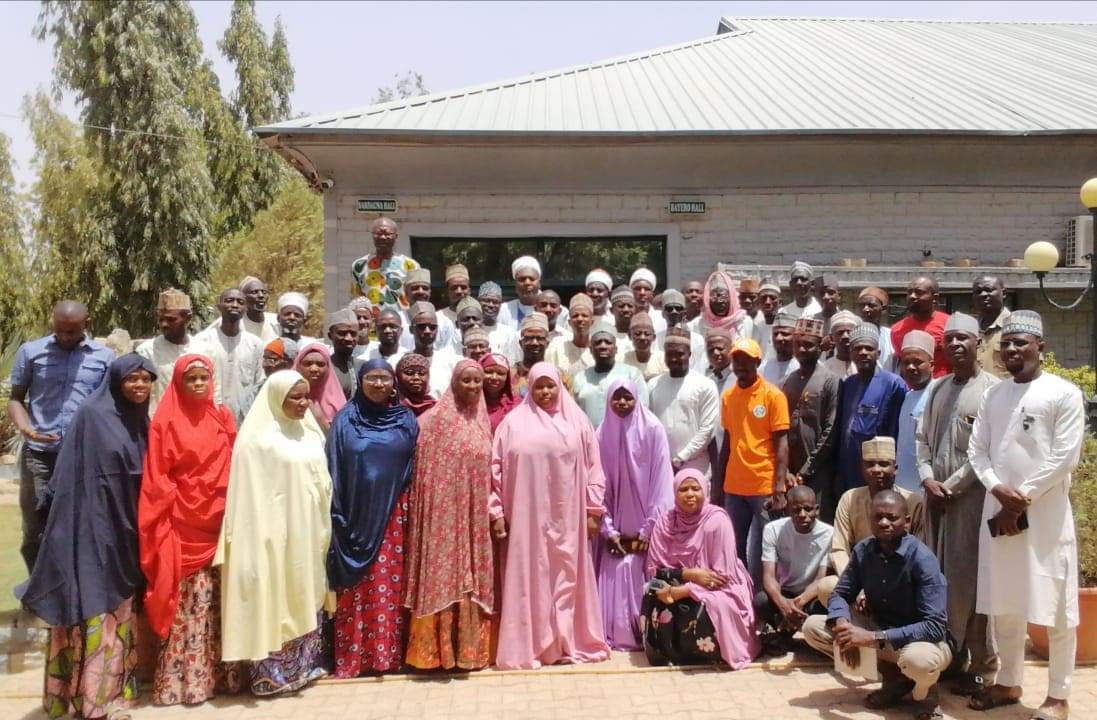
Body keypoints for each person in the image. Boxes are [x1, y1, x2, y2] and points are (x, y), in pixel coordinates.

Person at [18, 354, 154, 719]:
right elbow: (71, 478)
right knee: (93, 604)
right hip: (91, 529)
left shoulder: (140, 420)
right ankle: (92, 700)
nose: (139, 385)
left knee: (120, 608)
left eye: (145, 379)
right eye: (132, 378)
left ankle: (116, 693)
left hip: (126, 531)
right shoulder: (91, 417)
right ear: (116, 381)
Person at [967, 310, 1084, 720]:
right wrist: (998, 489)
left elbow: (1064, 456)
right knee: (1004, 601)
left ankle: (1058, 696)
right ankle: (1009, 682)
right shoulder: (993, 395)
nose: (1012, 349)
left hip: (1046, 518)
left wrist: (1021, 498)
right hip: (998, 511)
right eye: (1006, 344)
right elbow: (977, 450)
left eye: (1021, 342)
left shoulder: (1063, 393)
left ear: (1041, 347)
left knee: (1058, 606)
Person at [216, 369, 332, 695]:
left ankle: (303, 667)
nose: (303, 403)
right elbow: (247, 497)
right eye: (295, 397)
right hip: (271, 534)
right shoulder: (255, 442)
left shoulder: (310, 432)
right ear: (276, 397)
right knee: (276, 594)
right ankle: (270, 676)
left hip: (308, 531)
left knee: (304, 590)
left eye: (306, 396)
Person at [490, 363, 610, 669]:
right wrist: (497, 511)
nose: (545, 392)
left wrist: (593, 509)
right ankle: (534, 645)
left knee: (566, 576)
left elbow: (595, 470)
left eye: (550, 386)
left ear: (560, 387)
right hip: (525, 518)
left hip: (568, 516)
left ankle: (566, 640)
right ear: (529, 388)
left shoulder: (578, 423)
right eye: (539, 386)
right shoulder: (512, 424)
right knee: (530, 575)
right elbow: (495, 471)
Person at [139, 355, 243, 705]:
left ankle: (223, 678)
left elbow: (234, 461)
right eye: (191, 379)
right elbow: (157, 476)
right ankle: (182, 683)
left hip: (219, 522)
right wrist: (175, 507)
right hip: (183, 524)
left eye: (203, 378)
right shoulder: (165, 421)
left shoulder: (222, 416)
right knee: (187, 601)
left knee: (218, 599)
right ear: (179, 382)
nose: (198, 384)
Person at [802, 489, 951, 720]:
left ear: (907, 522)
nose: (883, 523)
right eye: (878, 517)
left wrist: (870, 638)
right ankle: (895, 680)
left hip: (920, 642)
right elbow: (840, 593)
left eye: (892, 518)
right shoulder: (864, 550)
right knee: (813, 627)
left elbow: (935, 627)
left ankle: (927, 695)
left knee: (918, 662)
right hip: (881, 632)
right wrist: (843, 627)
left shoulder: (922, 559)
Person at [916, 312, 1000, 696]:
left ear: (978, 342)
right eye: (949, 339)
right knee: (940, 581)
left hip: (971, 504)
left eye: (963, 338)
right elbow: (922, 441)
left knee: (973, 582)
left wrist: (948, 487)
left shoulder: (993, 391)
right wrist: (926, 478)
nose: (955, 344)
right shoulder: (937, 389)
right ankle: (951, 656)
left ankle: (982, 666)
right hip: (935, 503)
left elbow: (986, 452)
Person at [327, 359, 420, 677]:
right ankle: (355, 659)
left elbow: (414, 465)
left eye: (385, 378)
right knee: (360, 587)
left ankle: (389, 656)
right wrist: (339, 514)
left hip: (395, 518)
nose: (379, 384)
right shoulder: (345, 420)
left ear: (394, 383)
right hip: (356, 517)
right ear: (361, 381)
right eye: (372, 378)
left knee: (392, 587)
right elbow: (334, 467)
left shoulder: (406, 419)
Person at [9, 300, 114, 573]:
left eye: (73, 331)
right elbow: (16, 399)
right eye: (60, 330)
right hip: (39, 455)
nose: (66, 337)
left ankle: (73, 588)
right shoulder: (31, 352)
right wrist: (25, 426)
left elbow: (108, 404)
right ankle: (37, 588)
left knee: (80, 524)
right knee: (35, 528)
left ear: (86, 323)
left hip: (82, 456)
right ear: (53, 323)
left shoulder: (104, 357)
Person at [403, 360, 495, 670]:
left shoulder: (483, 422)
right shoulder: (432, 421)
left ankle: (470, 652)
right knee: (442, 574)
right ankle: (434, 654)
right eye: (466, 380)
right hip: (442, 518)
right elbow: (422, 474)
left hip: (475, 517)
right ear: (454, 383)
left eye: (477, 381)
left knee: (473, 577)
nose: (472, 386)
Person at [643, 468, 759, 668]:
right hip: (675, 582)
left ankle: (707, 652)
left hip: (721, 586)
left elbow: (723, 576)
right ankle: (666, 650)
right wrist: (689, 574)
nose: (690, 494)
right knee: (651, 590)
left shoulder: (717, 520)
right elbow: (654, 569)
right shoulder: (665, 522)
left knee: (719, 604)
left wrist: (685, 591)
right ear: (675, 493)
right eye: (683, 489)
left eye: (695, 489)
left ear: (704, 491)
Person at [594, 378, 674, 651]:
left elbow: (662, 484)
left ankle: (647, 632)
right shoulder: (601, 435)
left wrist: (648, 530)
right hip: (614, 529)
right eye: (616, 397)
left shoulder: (653, 429)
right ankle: (616, 632)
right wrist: (608, 529)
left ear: (637, 398)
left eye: (627, 397)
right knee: (617, 566)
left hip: (646, 525)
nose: (622, 402)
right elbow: (597, 486)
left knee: (639, 567)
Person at [818, 437, 925, 608]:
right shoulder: (849, 499)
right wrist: (857, 583)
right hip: (860, 577)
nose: (876, 470)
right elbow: (839, 549)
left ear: (895, 469)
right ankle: (858, 619)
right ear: (862, 469)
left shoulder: (914, 502)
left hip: (899, 580)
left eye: (883, 464)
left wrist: (880, 588)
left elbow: (919, 553)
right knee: (827, 587)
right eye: (870, 464)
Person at [717, 336, 790, 584]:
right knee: (733, 548)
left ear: (757, 362)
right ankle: (738, 595)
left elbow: (782, 445)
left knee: (763, 552)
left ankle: (761, 600)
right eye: (736, 360)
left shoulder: (773, 396)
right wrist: (718, 486)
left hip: (764, 486)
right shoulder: (728, 397)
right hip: (734, 487)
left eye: (746, 360)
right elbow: (727, 443)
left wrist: (779, 487)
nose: (740, 365)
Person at [834, 323, 907, 494]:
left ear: (878, 353)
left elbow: (897, 432)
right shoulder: (848, 384)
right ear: (850, 353)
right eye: (857, 349)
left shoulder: (893, 384)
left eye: (869, 348)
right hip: (848, 466)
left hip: (877, 472)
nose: (863, 352)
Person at [756, 486, 832, 646]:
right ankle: (784, 633)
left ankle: (796, 631)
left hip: (812, 595)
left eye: (808, 509)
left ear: (817, 510)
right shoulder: (773, 530)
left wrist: (796, 605)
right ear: (787, 511)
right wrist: (783, 604)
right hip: (786, 592)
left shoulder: (830, 534)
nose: (803, 514)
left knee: (827, 603)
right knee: (760, 601)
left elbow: (820, 580)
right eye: (796, 510)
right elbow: (768, 576)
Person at [782, 317, 840, 521]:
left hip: (819, 471)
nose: (802, 349)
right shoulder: (786, 381)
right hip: (790, 473)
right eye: (798, 344)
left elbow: (831, 429)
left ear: (819, 347)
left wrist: (807, 469)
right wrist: (785, 470)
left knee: (818, 523)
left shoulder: (831, 380)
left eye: (808, 345)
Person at [648, 328, 719, 478]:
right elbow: (649, 425)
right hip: (661, 463)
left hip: (695, 463)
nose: (674, 359)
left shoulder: (705, 385)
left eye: (679, 354)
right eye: (670, 354)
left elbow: (707, 429)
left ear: (689, 355)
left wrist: (681, 457)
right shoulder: (653, 385)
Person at [192, 288, 264, 425]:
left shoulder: (255, 344)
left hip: (242, 421)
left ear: (246, 308)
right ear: (219, 306)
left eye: (240, 302)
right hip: (207, 417)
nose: (235, 305)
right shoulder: (202, 341)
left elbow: (258, 383)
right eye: (229, 300)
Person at [572, 322, 648, 427]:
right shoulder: (580, 378)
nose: (603, 346)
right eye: (598, 342)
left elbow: (643, 411)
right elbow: (574, 415)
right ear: (590, 350)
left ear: (616, 349)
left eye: (608, 342)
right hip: (590, 436)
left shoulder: (632, 374)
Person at [137, 289, 193, 413]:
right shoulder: (146, 351)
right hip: (157, 419)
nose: (164, 325)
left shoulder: (202, 349)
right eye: (161, 319)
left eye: (171, 319)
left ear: (188, 318)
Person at [350, 216, 420, 311]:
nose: (382, 237)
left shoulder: (410, 265)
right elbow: (356, 300)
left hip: (402, 319)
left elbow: (418, 298)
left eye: (387, 234)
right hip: (372, 320)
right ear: (372, 235)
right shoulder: (359, 265)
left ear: (396, 236)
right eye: (378, 233)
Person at [896, 330, 935, 493]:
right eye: (906, 363)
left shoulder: (938, 394)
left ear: (932, 365)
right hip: (902, 484)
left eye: (917, 362)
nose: (910, 367)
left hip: (926, 488)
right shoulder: (907, 396)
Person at [891, 275, 950, 378]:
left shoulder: (949, 325)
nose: (912, 296)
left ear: (935, 298)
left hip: (944, 385)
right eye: (909, 292)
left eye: (919, 292)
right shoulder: (896, 330)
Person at [499, 256, 568, 328]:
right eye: (522, 279)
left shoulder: (559, 312)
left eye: (532, 279)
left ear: (539, 283)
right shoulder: (504, 311)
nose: (527, 283)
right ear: (515, 284)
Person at [293, 342, 347, 433]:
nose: (314, 369)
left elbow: (341, 437)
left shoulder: (338, 403)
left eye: (320, 364)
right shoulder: (284, 395)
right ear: (298, 365)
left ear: (328, 368)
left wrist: (320, 419)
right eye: (308, 363)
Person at [400, 268, 458, 352]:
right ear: (406, 292)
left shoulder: (444, 322)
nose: (420, 291)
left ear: (430, 292)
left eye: (425, 288)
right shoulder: (398, 320)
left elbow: (447, 352)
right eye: (415, 288)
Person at [409, 301, 457, 398]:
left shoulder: (450, 362)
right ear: (411, 330)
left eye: (432, 327)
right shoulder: (399, 360)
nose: (427, 331)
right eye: (421, 327)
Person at [240, 337, 299, 415]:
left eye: (271, 360)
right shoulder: (255, 392)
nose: (264, 365)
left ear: (289, 363)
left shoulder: (299, 394)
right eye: (265, 359)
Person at [691, 270, 753, 341]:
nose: (719, 301)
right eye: (714, 296)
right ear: (707, 300)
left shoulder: (745, 322)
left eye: (724, 296)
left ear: (732, 298)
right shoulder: (696, 325)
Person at [545, 292, 595, 377]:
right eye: (575, 316)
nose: (580, 319)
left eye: (584, 315)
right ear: (569, 322)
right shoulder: (556, 346)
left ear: (592, 322)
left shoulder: (599, 348)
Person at [971, 274, 1011, 379]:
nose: (983, 294)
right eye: (978, 291)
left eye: (989, 290)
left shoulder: (1016, 326)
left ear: (1004, 293)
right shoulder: (970, 329)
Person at [658, 288, 706, 373]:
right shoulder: (656, 339)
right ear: (663, 313)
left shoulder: (697, 339)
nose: (674, 312)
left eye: (678, 308)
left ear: (684, 313)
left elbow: (699, 369)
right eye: (669, 308)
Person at [478, 281, 521, 361]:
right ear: (478, 302)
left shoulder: (509, 333)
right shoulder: (472, 331)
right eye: (486, 301)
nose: (491, 305)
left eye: (495, 302)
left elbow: (513, 362)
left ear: (500, 305)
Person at [513, 312, 553, 394]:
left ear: (547, 343)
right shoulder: (509, 375)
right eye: (529, 338)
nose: (534, 343)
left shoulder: (558, 375)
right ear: (521, 343)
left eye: (540, 338)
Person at [856, 287, 895, 371]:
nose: (865, 309)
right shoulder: (852, 334)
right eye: (862, 305)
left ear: (883, 309)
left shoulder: (891, 335)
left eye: (871, 305)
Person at [480, 352, 519, 434]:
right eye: (488, 372)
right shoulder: (471, 404)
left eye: (500, 373)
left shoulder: (516, 405)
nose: (494, 377)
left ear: (507, 377)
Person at [622, 312, 667, 380]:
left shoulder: (663, 359)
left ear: (654, 337)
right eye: (638, 333)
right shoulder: (621, 359)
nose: (642, 338)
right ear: (629, 336)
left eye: (647, 334)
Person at [325, 308, 359, 399]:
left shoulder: (363, 367)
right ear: (330, 336)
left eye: (353, 333)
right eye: (342, 333)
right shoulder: (324, 367)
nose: (349, 338)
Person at [760, 311, 799, 385]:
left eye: (785, 334)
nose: (778, 338)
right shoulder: (764, 368)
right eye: (775, 334)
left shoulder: (803, 367)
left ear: (796, 336)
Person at [238, 276, 280, 341]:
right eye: (254, 292)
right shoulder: (235, 324)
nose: (261, 295)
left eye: (264, 292)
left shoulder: (277, 321)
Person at [395, 352, 436, 417]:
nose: (416, 377)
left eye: (422, 373)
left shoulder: (435, 407)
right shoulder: (390, 406)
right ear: (398, 376)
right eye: (409, 372)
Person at [822, 309, 859, 377]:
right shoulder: (825, 369)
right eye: (840, 333)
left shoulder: (867, 365)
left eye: (849, 332)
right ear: (832, 338)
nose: (845, 336)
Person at [630, 267, 667, 334]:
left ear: (652, 294)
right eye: (638, 288)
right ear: (631, 292)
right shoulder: (623, 318)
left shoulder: (663, 319)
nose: (642, 293)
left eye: (647, 289)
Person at [753, 279, 782, 361]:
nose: (768, 302)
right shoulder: (756, 328)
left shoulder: (788, 327)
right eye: (764, 298)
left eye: (772, 298)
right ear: (758, 302)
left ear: (780, 302)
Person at [812, 274, 842, 339]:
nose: (826, 297)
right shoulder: (811, 321)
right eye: (822, 293)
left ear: (839, 296)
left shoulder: (848, 320)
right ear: (816, 297)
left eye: (830, 292)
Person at [609, 286, 637, 353]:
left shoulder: (643, 335)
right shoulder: (607, 335)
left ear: (635, 309)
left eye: (630, 306)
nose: (626, 309)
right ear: (611, 310)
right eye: (621, 306)